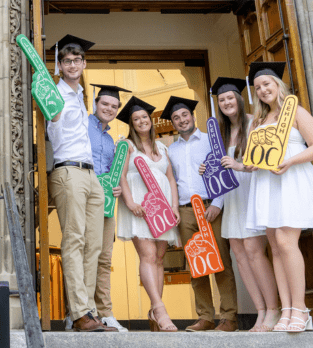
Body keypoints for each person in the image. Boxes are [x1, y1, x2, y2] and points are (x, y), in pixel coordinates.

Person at [246, 62, 313, 332]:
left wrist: (289, 161)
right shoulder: (259, 120)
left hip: (291, 180)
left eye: (266, 84)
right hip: (267, 183)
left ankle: (302, 309)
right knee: (275, 246)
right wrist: (252, 163)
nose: (262, 90)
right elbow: (255, 155)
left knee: (285, 240)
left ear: (278, 85)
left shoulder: (296, 112)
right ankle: (287, 309)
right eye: (257, 87)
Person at [199, 78, 279, 332]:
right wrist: (207, 169)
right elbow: (221, 167)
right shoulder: (220, 132)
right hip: (232, 196)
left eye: (229, 98)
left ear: (239, 99)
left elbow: (266, 161)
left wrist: (239, 165)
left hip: (253, 191)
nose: (225, 103)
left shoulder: (255, 123)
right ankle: (261, 312)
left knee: (255, 252)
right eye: (221, 100)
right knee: (241, 255)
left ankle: (274, 310)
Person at [161, 96, 238, 332]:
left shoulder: (210, 141)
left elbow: (224, 171)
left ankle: (229, 317)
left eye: (185, 115)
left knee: (221, 263)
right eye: (176, 118)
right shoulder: (170, 150)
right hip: (185, 211)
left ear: (193, 116)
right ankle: (205, 316)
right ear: (173, 123)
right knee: (197, 265)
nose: (181, 120)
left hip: (210, 207)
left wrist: (217, 203)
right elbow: (170, 182)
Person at [47, 35, 108, 332]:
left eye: (77, 60)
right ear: (60, 65)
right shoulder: (54, 94)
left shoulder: (81, 96)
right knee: (75, 241)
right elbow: (55, 132)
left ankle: (90, 312)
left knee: (94, 245)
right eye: (67, 61)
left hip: (91, 175)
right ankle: (79, 313)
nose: (73, 64)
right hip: (68, 171)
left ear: (84, 64)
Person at [116, 96, 180, 332]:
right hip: (140, 208)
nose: (141, 121)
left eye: (144, 117)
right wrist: (130, 201)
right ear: (131, 124)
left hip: (162, 209)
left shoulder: (162, 147)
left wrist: (173, 207)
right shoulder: (127, 146)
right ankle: (160, 309)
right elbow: (121, 175)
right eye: (136, 119)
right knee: (149, 256)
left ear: (150, 121)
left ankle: (155, 310)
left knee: (160, 258)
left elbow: (171, 178)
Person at [89, 84, 133, 332]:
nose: (109, 109)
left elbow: (110, 173)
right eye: (105, 104)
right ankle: (81, 311)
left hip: (106, 203)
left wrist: (115, 186)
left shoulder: (108, 138)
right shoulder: (83, 126)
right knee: (86, 255)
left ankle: (104, 312)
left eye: (114, 106)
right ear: (96, 104)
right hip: (86, 198)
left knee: (104, 259)